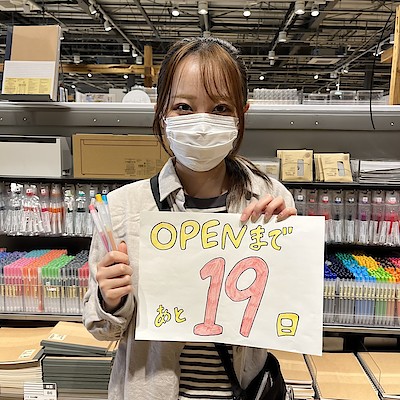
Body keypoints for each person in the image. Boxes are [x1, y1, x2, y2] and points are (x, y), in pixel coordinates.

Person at [83, 36, 297, 400]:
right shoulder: (122, 208)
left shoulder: (270, 199)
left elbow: (286, 315)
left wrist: (290, 253)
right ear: (162, 112)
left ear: (242, 113)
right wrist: (111, 300)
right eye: (183, 106)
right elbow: (103, 330)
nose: (201, 123)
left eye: (220, 108)